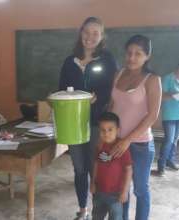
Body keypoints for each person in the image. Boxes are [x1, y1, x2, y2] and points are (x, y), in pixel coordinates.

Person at [59, 17, 118, 220]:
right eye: (86, 32)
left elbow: (112, 88)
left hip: (96, 124)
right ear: (80, 33)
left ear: (101, 36)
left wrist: (98, 97)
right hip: (73, 125)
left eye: (95, 33)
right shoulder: (69, 62)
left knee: (97, 168)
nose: (90, 37)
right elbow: (61, 89)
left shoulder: (108, 60)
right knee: (79, 168)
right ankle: (82, 209)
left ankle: (97, 212)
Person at [109, 35, 162, 220]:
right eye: (129, 53)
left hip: (139, 145)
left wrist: (127, 140)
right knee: (120, 188)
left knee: (140, 189)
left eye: (138, 54)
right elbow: (113, 106)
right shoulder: (118, 74)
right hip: (116, 142)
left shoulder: (152, 79)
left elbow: (152, 116)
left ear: (147, 56)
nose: (131, 58)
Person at [91, 112, 132, 220]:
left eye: (110, 129)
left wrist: (124, 192)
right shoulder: (99, 146)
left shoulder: (122, 148)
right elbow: (96, 164)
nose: (106, 133)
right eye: (102, 130)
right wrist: (92, 183)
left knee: (115, 217)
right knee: (96, 216)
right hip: (99, 192)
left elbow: (128, 170)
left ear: (117, 130)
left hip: (116, 195)